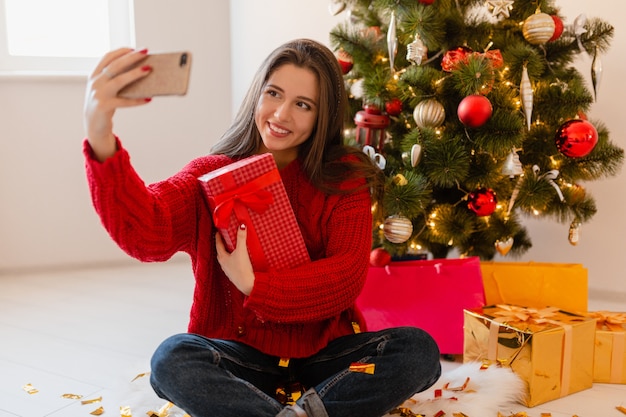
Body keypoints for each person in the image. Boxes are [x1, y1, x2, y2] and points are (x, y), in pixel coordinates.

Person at [83, 38, 441, 417]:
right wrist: (99, 132)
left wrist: (255, 285)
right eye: (274, 93)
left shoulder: (345, 177)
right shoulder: (209, 173)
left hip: (325, 360)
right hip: (241, 359)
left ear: (323, 116)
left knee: (418, 351)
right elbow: (147, 233)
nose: (282, 114)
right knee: (172, 360)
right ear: (257, 93)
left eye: (303, 105)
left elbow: (345, 278)